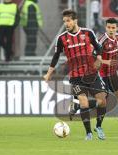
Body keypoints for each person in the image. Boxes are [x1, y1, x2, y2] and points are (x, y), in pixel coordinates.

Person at [43, 9, 107, 140]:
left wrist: (99, 58)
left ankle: (98, 126)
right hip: (76, 77)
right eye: (64, 21)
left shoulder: (88, 33)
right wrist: (48, 73)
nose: (66, 24)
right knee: (84, 103)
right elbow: (55, 56)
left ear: (75, 20)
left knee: (102, 102)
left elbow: (98, 46)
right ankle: (88, 133)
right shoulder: (61, 38)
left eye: (68, 21)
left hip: (92, 74)